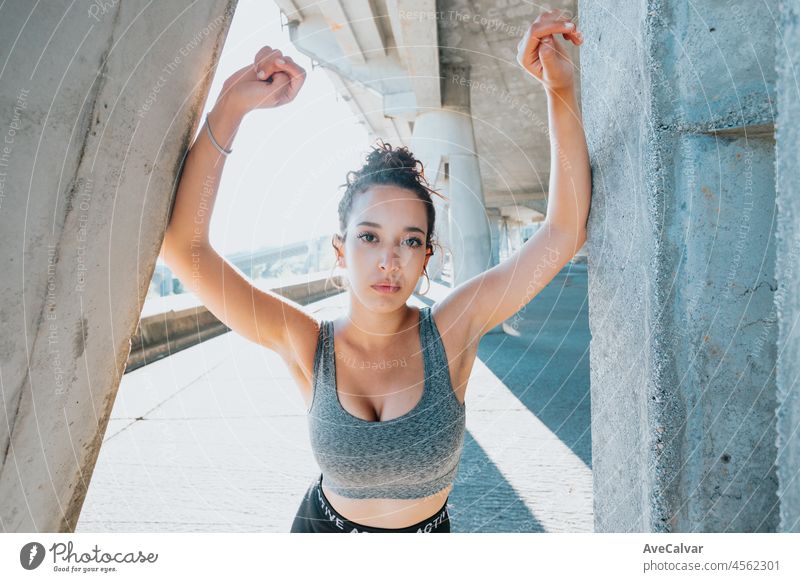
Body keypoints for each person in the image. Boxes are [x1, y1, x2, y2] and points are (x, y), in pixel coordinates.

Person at [160, 8, 589, 533]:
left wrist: (559, 87)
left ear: (429, 254)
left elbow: (564, 233)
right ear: (341, 249)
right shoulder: (304, 341)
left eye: (410, 241)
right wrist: (230, 107)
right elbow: (184, 248)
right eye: (369, 237)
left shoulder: (451, 330)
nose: (389, 260)